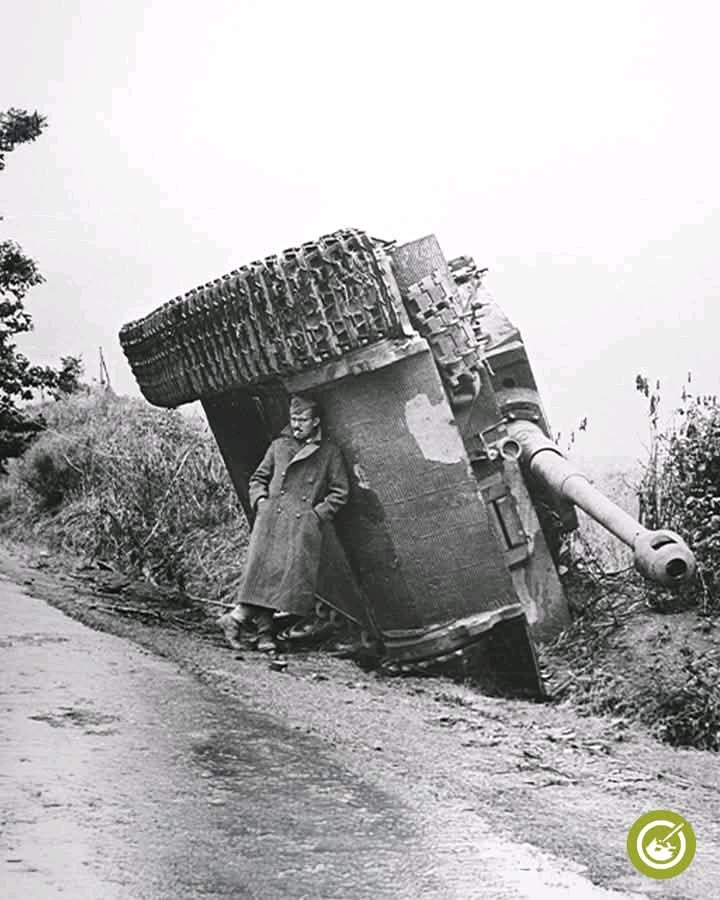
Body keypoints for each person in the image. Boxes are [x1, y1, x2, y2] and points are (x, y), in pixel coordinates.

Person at [218, 393, 351, 653]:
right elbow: (258, 478)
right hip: (271, 519)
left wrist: (317, 515)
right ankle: (261, 633)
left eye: (302, 419)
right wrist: (261, 502)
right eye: (293, 419)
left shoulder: (329, 452)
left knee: (280, 578)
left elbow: (339, 491)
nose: (297, 424)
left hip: (301, 523)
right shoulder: (279, 446)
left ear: (316, 421)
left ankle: (237, 620)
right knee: (266, 576)